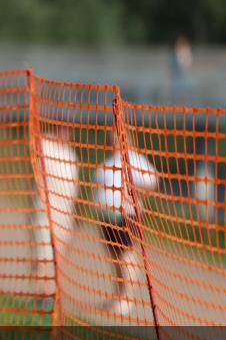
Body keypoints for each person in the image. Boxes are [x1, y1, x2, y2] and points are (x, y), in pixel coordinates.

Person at [93, 130, 159, 317]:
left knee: (126, 256)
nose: (114, 140)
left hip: (126, 216)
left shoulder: (133, 159)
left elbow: (152, 180)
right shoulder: (108, 162)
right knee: (115, 257)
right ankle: (119, 295)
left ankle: (127, 299)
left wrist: (134, 192)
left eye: (118, 137)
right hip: (107, 217)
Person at [30, 124, 78, 299]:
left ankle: (49, 296)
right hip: (44, 213)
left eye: (68, 128)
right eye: (62, 127)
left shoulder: (71, 156)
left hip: (64, 217)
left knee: (56, 261)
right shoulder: (47, 145)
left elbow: (73, 190)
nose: (65, 132)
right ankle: (39, 296)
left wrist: (73, 217)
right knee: (43, 257)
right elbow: (34, 139)